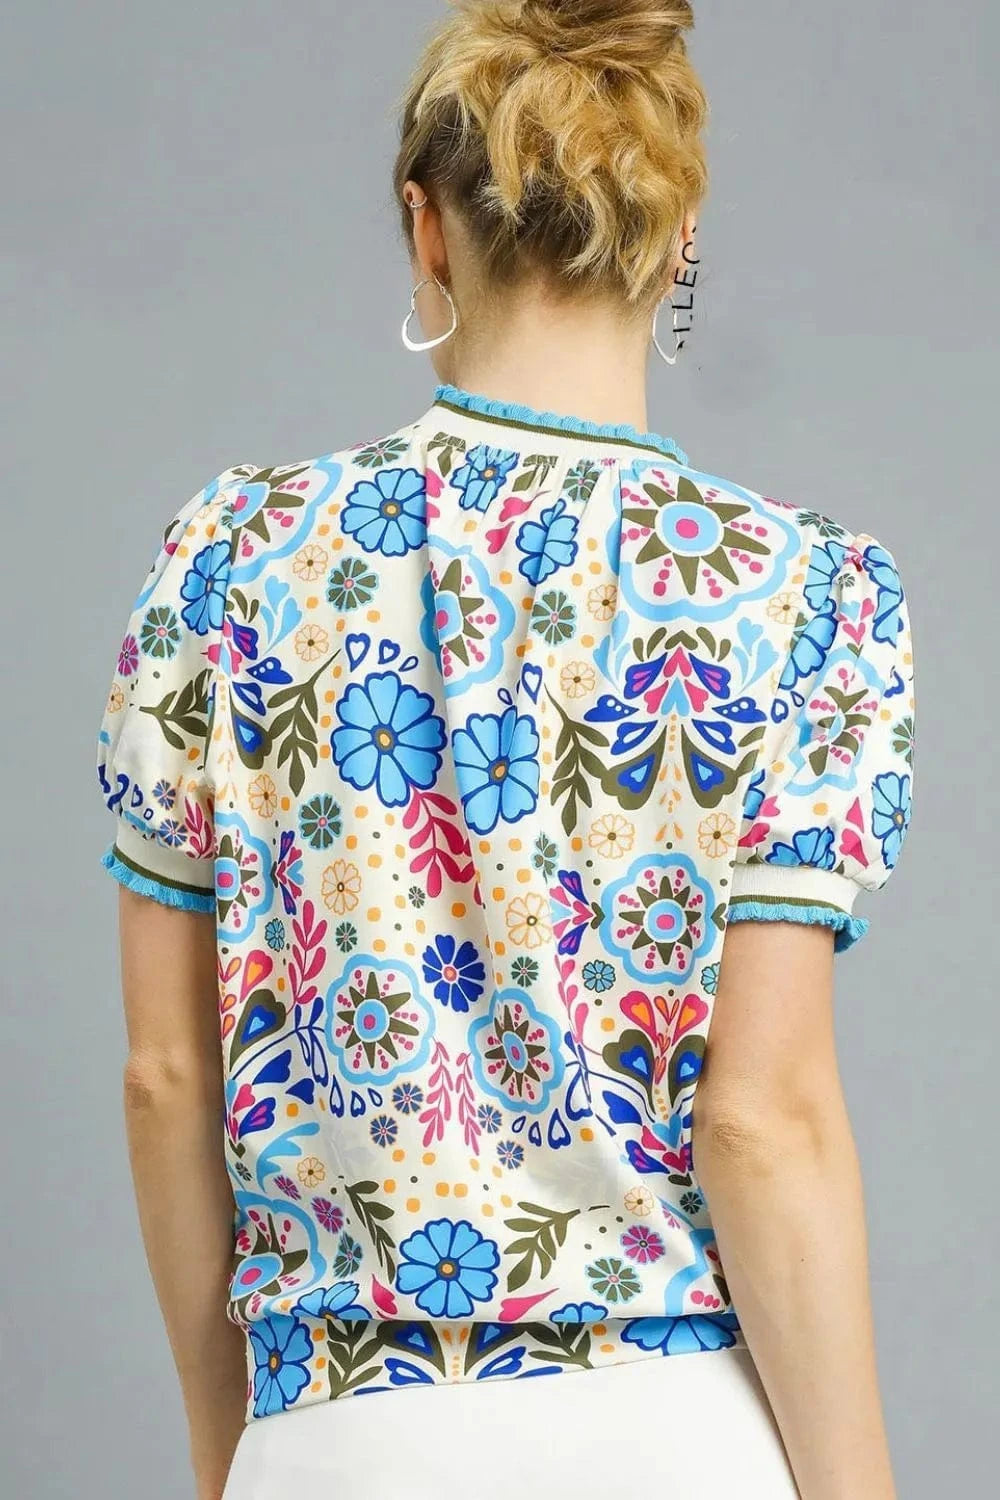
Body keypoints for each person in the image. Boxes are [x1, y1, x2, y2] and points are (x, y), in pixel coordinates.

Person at [94, 2, 916, 1496]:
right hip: (674, 1430)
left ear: (426, 228)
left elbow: (166, 1078)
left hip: (335, 1429)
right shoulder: (800, 593)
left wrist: (238, 1451)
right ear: (677, 242)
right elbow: (761, 1119)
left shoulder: (229, 558)